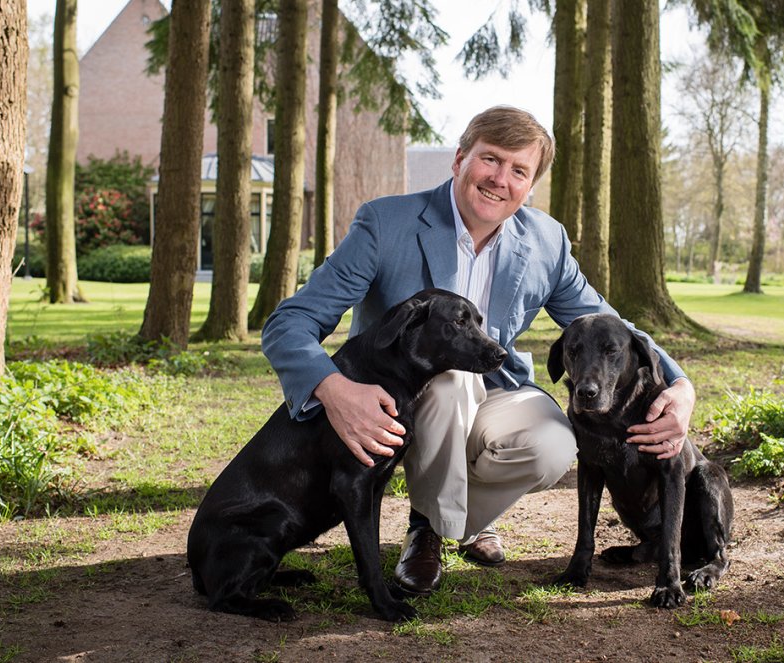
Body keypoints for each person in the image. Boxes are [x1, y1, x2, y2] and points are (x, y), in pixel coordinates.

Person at [262, 105, 696, 596]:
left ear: (530, 185)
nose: (500, 179)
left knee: (555, 443)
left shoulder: (547, 242)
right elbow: (290, 322)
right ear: (460, 160)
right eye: (490, 160)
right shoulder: (387, 223)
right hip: (402, 401)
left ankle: (454, 522)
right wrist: (334, 389)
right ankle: (427, 529)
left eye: (519, 170)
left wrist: (681, 387)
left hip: (496, 391)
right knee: (450, 380)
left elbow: (615, 325)